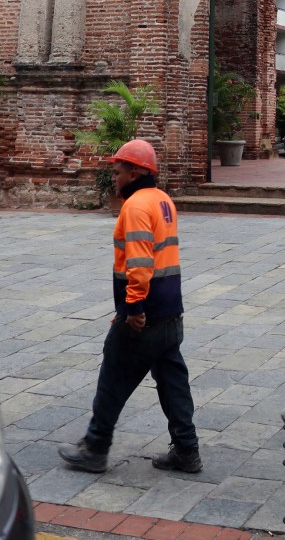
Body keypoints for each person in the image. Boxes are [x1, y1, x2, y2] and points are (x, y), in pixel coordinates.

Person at [59, 138, 201, 475]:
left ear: (136, 172)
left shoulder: (136, 206)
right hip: (169, 310)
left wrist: (133, 308)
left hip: (144, 315)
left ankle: (95, 447)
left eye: (119, 171)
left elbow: (139, 263)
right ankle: (186, 449)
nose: (116, 177)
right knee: (172, 381)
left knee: (113, 377)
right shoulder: (163, 200)